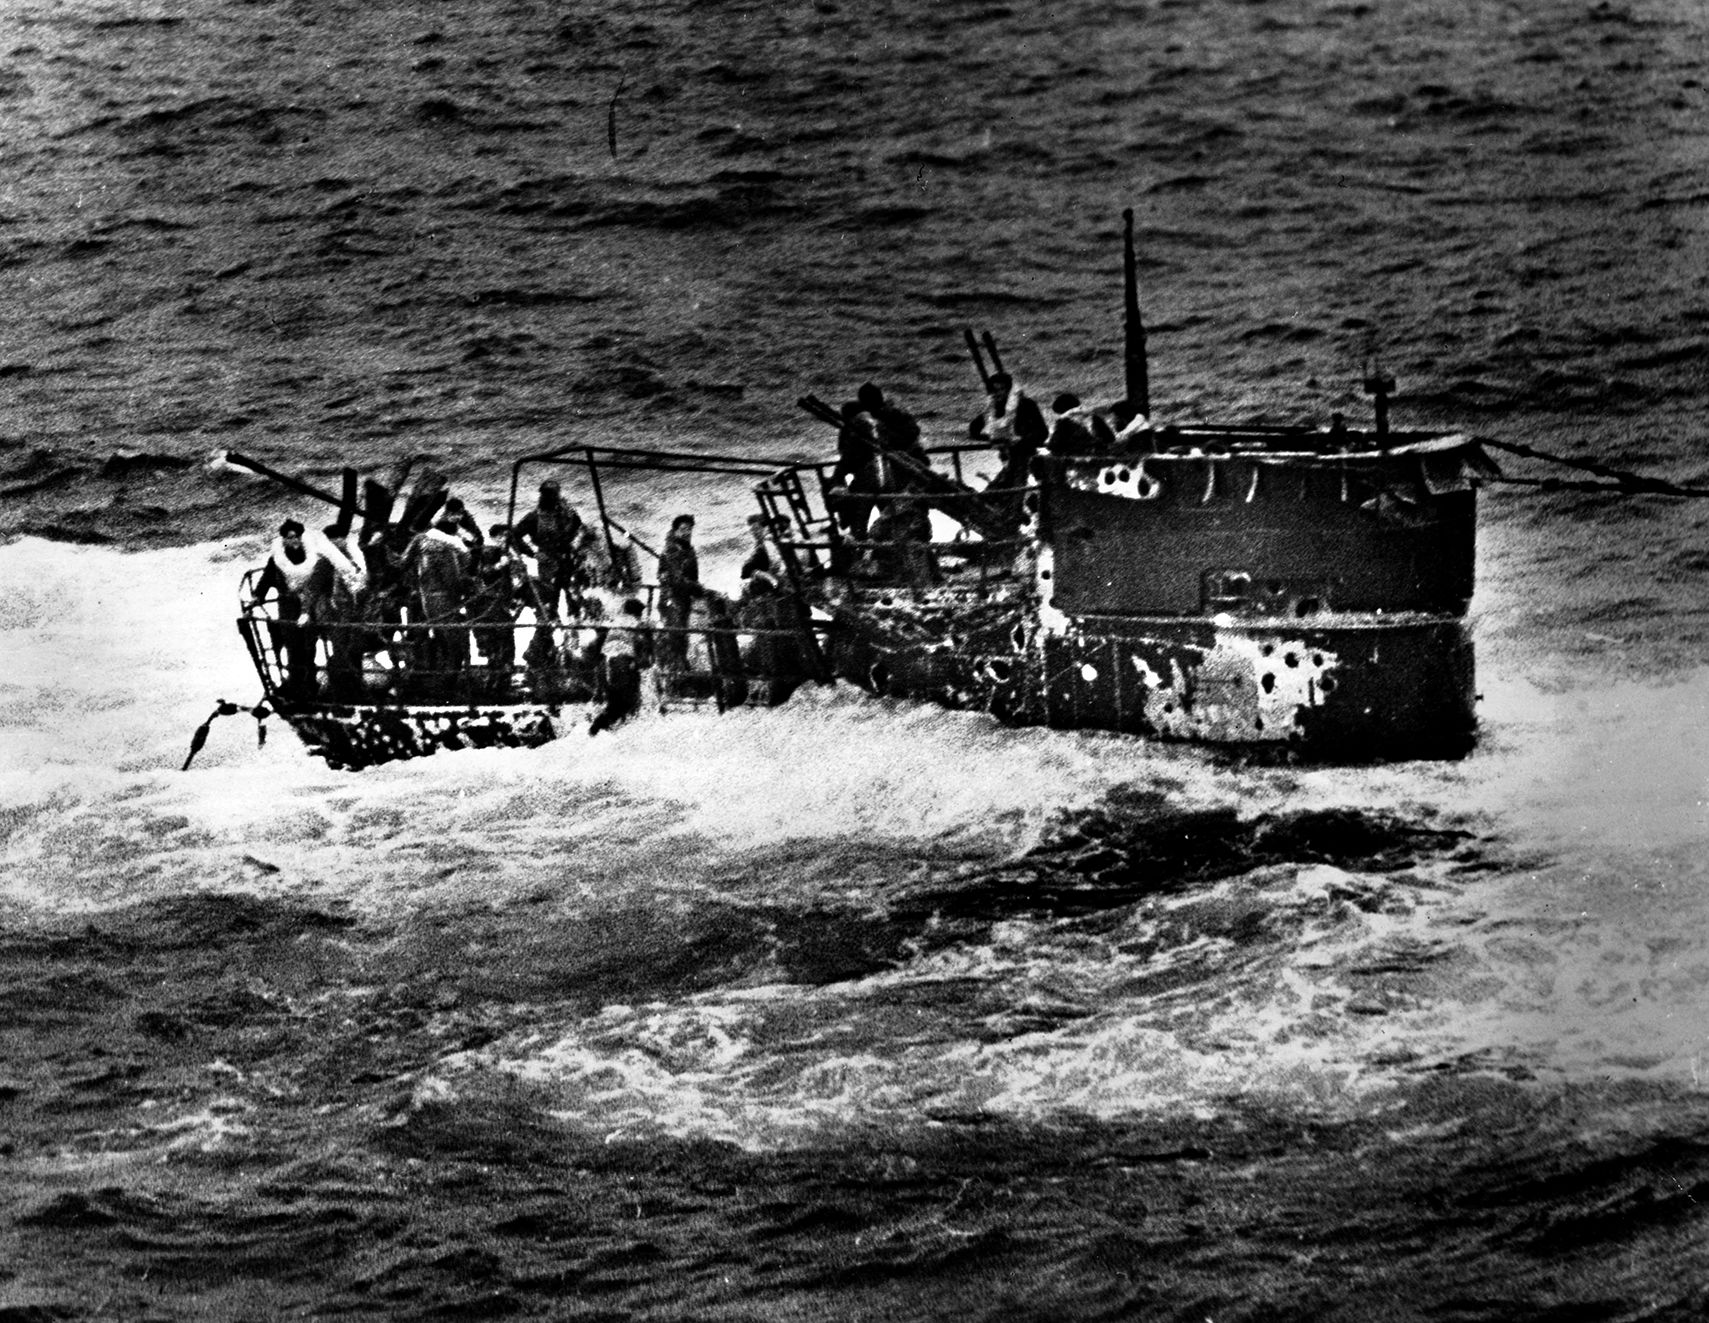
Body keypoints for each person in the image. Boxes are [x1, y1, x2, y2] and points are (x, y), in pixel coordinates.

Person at [254, 519, 329, 698]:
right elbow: (266, 580)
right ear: (284, 540)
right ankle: (296, 683)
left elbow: (318, 580)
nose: (295, 540)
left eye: (297, 536)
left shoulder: (309, 557)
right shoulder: (278, 561)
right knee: (292, 646)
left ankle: (310, 683)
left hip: (307, 607)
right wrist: (257, 597)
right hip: (287, 607)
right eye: (290, 537)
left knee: (309, 646)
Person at [403, 512, 473, 683]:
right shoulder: (448, 549)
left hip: (425, 597)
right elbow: (453, 579)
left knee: (435, 632)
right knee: (453, 638)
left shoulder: (419, 541)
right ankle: (450, 675)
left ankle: (426, 669)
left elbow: (403, 562)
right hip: (444, 598)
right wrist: (463, 594)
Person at [972, 371, 1048, 527]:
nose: (998, 394)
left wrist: (1022, 440)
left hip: (1026, 456)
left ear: (1009, 390)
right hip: (1008, 458)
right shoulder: (994, 408)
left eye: (1001, 390)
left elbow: (1043, 432)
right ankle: (1001, 517)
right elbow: (973, 429)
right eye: (995, 390)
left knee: (1016, 494)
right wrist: (992, 436)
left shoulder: (1026, 405)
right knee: (994, 493)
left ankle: (1016, 519)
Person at [511, 479, 588, 619]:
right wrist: (533, 553)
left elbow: (580, 528)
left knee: (574, 597)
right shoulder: (534, 517)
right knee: (549, 599)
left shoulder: (569, 513)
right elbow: (515, 537)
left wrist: (575, 545)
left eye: (554, 495)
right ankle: (549, 627)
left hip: (568, 559)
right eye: (549, 495)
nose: (553, 498)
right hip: (548, 560)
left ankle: (575, 622)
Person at [469, 523, 527, 679]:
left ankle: (500, 673)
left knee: (501, 638)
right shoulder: (489, 551)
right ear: (497, 536)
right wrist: (499, 565)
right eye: (503, 536)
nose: (505, 539)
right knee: (503, 637)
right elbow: (484, 573)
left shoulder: (503, 552)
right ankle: (500, 673)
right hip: (492, 601)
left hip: (499, 600)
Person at [589, 599, 651, 735]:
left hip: (605, 663)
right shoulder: (639, 625)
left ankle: (599, 731)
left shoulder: (614, 622)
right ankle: (596, 729)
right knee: (626, 704)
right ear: (639, 613)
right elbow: (645, 657)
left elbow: (595, 644)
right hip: (622, 663)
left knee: (614, 703)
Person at [656, 513, 700, 671]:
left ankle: (680, 667)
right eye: (683, 529)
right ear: (675, 531)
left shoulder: (688, 549)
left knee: (681, 636)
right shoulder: (671, 550)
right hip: (671, 599)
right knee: (675, 636)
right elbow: (663, 576)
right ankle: (675, 669)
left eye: (689, 529)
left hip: (683, 599)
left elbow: (693, 576)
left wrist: (695, 587)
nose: (687, 532)